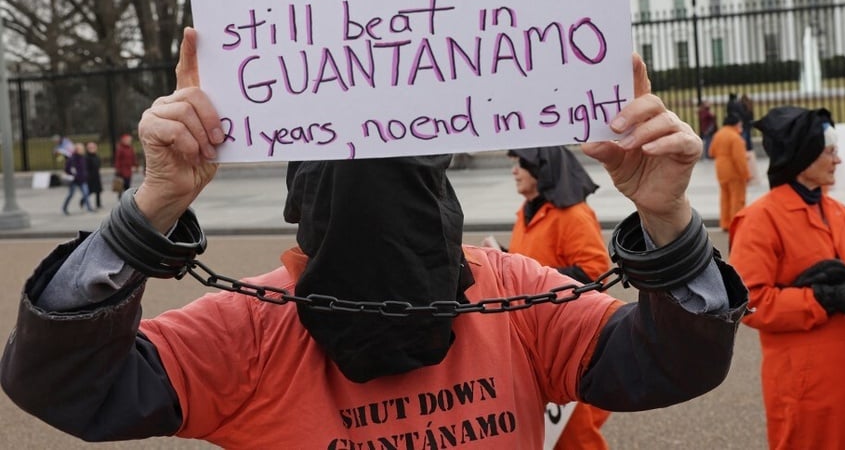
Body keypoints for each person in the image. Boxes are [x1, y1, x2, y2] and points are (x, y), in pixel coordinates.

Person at [0, 29, 748, 448]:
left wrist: (667, 217)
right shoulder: (247, 334)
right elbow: (64, 387)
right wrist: (149, 205)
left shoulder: (512, 297)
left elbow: (666, 365)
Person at [728, 106, 845, 450]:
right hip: (809, 380)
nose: (838, 160)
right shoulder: (760, 219)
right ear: (802, 156)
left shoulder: (840, 213)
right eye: (830, 151)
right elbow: (750, 302)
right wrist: (823, 299)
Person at [504, 146, 613, 450]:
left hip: (564, 343)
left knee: (575, 437)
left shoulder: (573, 215)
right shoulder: (525, 212)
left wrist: (531, 279)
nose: (514, 171)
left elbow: (594, 272)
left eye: (520, 165)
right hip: (530, 341)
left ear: (541, 169)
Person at [708, 113, 750, 232]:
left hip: (720, 170)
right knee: (737, 198)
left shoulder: (718, 135)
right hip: (734, 171)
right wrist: (746, 174)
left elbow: (711, 152)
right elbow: (739, 159)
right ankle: (735, 223)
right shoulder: (735, 137)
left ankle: (725, 223)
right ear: (736, 124)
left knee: (725, 198)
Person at [61, 144, 94, 214]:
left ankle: (89, 208)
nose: (82, 150)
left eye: (82, 149)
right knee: (71, 194)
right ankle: (64, 208)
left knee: (86, 193)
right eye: (80, 149)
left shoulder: (83, 158)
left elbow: (85, 168)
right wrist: (74, 174)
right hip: (74, 180)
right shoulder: (72, 159)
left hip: (82, 179)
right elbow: (67, 169)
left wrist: (86, 175)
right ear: (76, 150)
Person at [85, 141, 103, 210]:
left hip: (96, 175)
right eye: (90, 148)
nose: (92, 149)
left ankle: (98, 204)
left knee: (98, 190)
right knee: (90, 191)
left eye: (93, 147)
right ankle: (83, 200)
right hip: (90, 176)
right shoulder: (86, 157)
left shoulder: (96, 156)